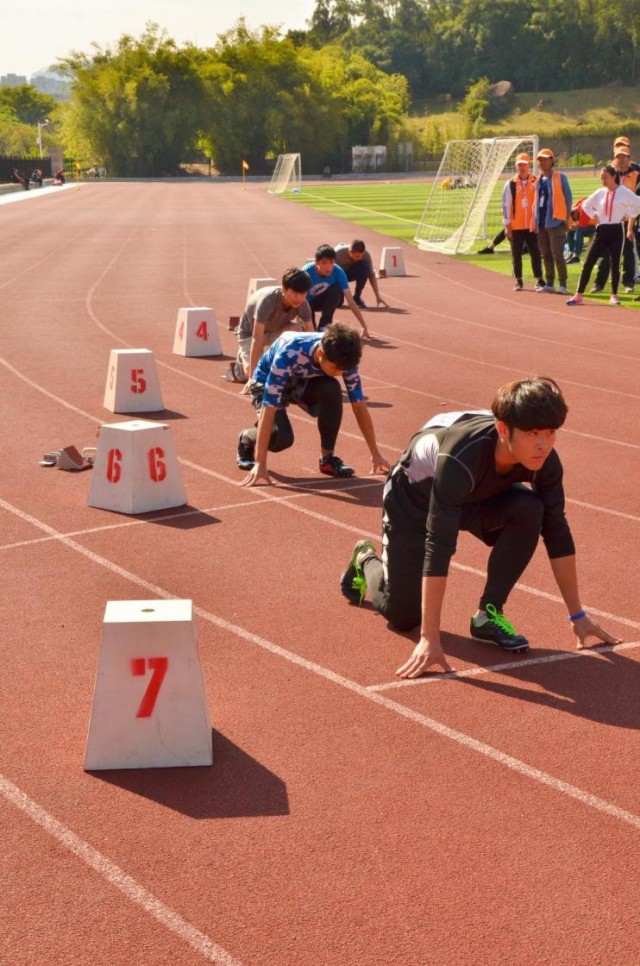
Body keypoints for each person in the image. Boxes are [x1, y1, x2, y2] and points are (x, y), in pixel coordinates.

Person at [339, 377, 621, 676]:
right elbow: (439, 544)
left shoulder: (544, 459)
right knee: (403, 616)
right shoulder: (461, 456)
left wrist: (577, 615)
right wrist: (429, 639)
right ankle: (365, 559)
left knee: (531, 509)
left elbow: (557, 530)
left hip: (475, 494)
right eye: (532, 433)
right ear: (503, 429)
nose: (543, 443)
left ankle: (488, 614)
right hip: (413, 501)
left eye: (551, 433)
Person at [236, 322, 389, 486]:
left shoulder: (345, 358)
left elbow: (358, 406)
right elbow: (269, 408)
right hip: (266, 381)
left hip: (303, 381)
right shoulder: (289, 353)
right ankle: (248, 437)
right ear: (321, 353)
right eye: (335, 369)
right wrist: (260, 463)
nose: (340, 373)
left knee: (332, 388)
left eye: (343, 371)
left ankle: (327, 459)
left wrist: (375, 453)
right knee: (283, 438)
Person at [566, 163, 640, 306]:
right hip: (601, 231)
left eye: (605, 178)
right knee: (588, 262)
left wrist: (629, 214)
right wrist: (595, 215)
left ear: (613, 177)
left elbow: (638, 203)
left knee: (615, 263)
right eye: (601, 178)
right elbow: (586, 204)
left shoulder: (624, 192)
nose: (603, 181)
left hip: (616, 230)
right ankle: (578, 294)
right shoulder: (600, 192)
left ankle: (614, 295)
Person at [230, 268, 314, 383]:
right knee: (254, 374)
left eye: (303, 293)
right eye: (295, 293)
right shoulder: (268, 300)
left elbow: (311, 336)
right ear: (284, 289)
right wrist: (252, 380)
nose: (299, 298)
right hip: (251, 334)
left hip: (276, 330)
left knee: (297, 330)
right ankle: (240, 366)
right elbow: (257, 338)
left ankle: (279, 361)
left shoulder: (303, 304)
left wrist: (312, 369)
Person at [589, 143, 640, 294]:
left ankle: (628, 282)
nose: (621, 159)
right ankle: (599, 283)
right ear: (615, 158)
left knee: (628, 251)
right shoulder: (610, 173)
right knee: (606, 253)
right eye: (618, 156)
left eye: (624, 156)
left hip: (628, 219)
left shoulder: (637, 175)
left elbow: (637, 199)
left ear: (629, 158)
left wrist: (631, 218)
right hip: (610, 219)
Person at [302, 244, 370, 338]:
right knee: (310, 335)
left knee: (336, 290)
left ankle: (324, 326)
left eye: (331, 262)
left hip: (323, 301)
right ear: (316, 262)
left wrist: (364, 326)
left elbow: (350, 300)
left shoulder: (338, 272)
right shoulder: (306, 272)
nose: (328, 267)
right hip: (306, 304)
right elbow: (298, 300)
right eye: (324, 263)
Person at [501, 152, 545, 291]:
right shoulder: (510, 184)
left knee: (536, 253)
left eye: (524, 164)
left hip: (532, 225)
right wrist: (507, 225)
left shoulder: (537, 181)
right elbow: (506, 205)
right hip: (516, 225)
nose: (522, 167)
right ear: (516, 167)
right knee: (516, 254)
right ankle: (518, 280)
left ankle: (539, 279)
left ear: (529, 165)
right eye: (519, 165)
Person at [533, 148, 572, 294]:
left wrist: (566, 218)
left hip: (555, 222)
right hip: (542, 223)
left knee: (558, 255)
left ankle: (563, 284)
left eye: (545, 159)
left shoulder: (560, 177)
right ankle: (549, 283)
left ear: (551, 160)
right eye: (540, 160)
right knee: (546, 255)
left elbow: (568, 199)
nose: (542, 162)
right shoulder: (538, 180)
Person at [334, 240, 388, 308]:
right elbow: (328, 273)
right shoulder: (338, 254)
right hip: (337, 277)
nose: (360, 258)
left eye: (361, 256)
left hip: (350, 274)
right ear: (350, 252)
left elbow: (371, 276)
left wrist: (378, 296)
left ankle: (357, 297)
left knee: (364, 266)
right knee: (338, 303)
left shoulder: (366, 255)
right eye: (357, 256)